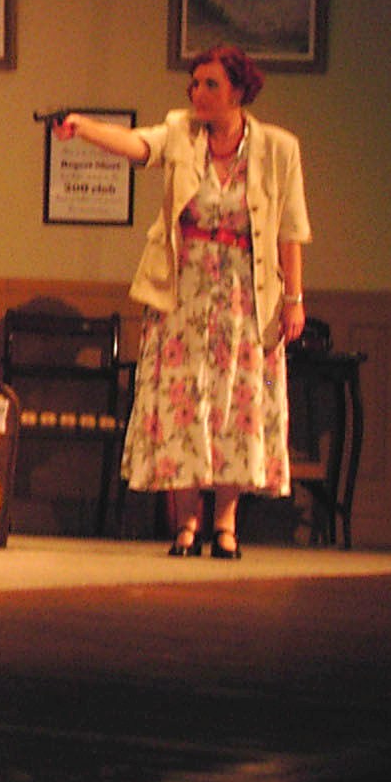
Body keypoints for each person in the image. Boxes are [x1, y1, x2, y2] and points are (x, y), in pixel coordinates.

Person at [51, 45, 310, 559]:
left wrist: (294, 300)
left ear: (239, 91)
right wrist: (82, 127)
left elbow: (290, 231)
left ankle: (226, 524)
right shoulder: (180, 132)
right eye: (194, 84)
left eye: (211, 84)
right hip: (183, 293)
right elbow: (136, 144)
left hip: (246, 295)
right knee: (183, 402)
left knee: (238, 404)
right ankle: (187, 522)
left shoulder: (278, 149)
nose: (198, 93)